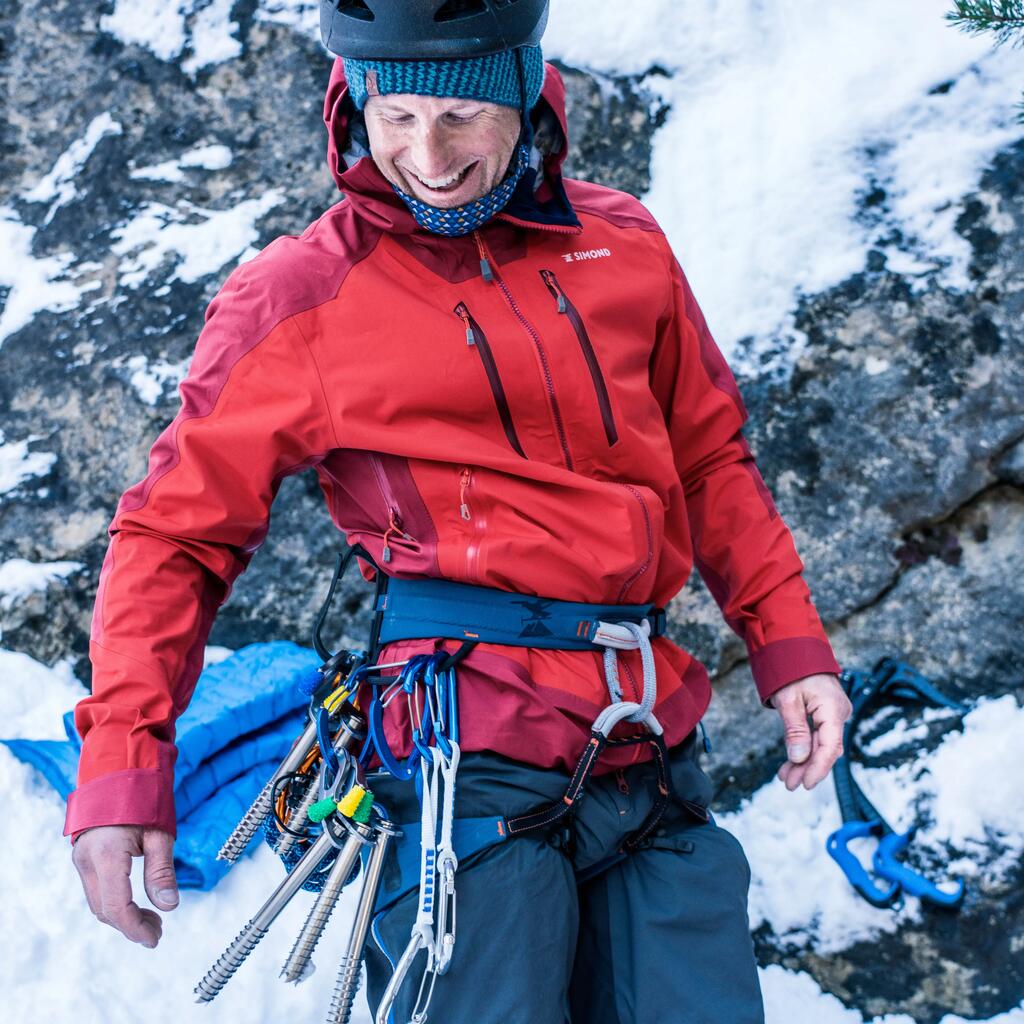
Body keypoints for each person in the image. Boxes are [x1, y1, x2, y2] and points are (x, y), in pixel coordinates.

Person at [68, 1, 853, 1020]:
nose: (424, 157)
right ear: (352, 102)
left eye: (458, 117)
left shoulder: (625, 245)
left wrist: (790, 643)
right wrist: (123, 769)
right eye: (394, 117)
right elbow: (175, 534)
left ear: (525, 97)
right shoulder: (299, 297)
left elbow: (706, 457)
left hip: (643, 729)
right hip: (460, 746)